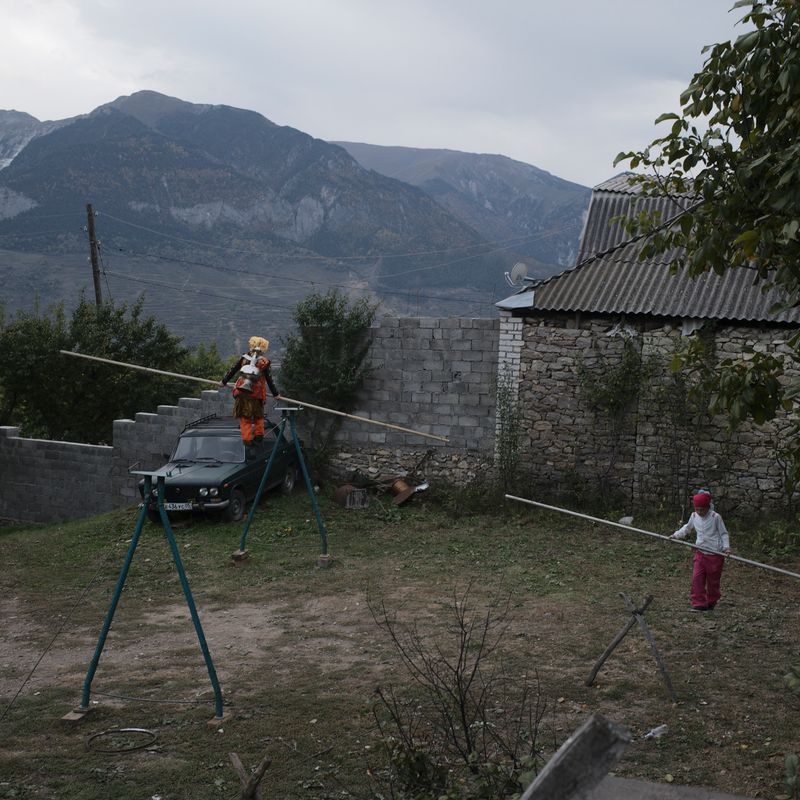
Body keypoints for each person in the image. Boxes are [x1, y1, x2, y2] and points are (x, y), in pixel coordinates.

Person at [669, 491, 731, 612]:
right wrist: (675, 535)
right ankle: (699, 603)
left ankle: (711, 601)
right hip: (701, 553)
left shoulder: (715, 517)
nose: (699, 512)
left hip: (715, 554)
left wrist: (726, 547)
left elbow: (724, 534)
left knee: (713, 581)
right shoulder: (694, 516)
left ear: (708, 507)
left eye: (702, 509)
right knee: (697, 578)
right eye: (697, 509)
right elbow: (687, 528)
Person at [220, 336, 280, 444]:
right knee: (258, 416)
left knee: (245, 417)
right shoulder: (264, 362)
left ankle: (247, 440)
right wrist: (275, 394)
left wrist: (224, 381)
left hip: (242, 393)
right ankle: (259, 436)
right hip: (256, 394)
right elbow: (269, 379)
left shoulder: (244, 358)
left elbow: (232, 370)